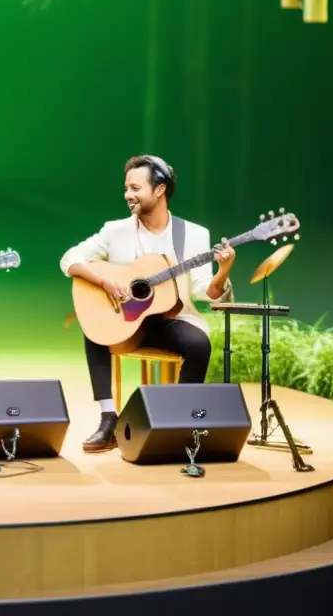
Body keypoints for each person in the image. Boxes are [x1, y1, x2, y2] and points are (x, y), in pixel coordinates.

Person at [60, 155, 236, 453]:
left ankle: (180, 421)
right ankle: (107, 420)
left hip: (172, 319)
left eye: (135, 188)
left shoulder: (192, 234)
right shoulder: (115, 230)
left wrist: (224, 271)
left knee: (199, 344)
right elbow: (70, 259)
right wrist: (104, 281)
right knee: (93, 331)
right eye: (126, 188)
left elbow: (206, 291)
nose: (128, 195)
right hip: (128, 322)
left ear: (159, 190)